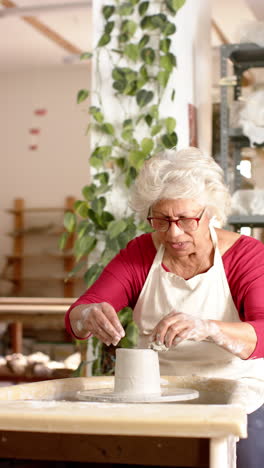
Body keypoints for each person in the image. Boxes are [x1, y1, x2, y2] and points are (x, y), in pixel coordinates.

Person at [66, 147, 264, 468]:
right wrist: (88, 316)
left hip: (238, 393)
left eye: (186, 219)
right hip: (157, 395)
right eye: (161, 220)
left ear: (210, 212)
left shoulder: (247, 256)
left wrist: (208, 328)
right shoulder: (142, 253)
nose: (173, 233)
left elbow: (263, 332)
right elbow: (80, 312)